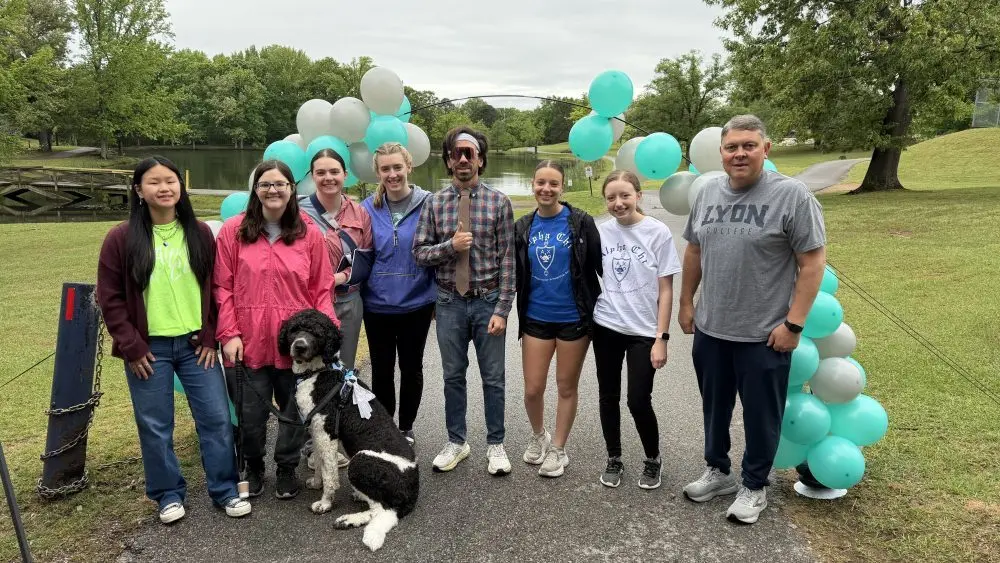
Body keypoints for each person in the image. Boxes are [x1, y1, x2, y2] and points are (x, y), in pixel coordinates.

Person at [678, 114, 827, 525]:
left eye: (749, 145)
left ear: (766, 148)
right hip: (712, 328)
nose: (739, 153)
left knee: (762, 414)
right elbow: (693, 251)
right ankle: (718, 471)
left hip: (764, 335)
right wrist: (687, 304)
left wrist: (793, 325)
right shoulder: (707, 193)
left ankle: (754, 485)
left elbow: (812, 263)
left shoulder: (792, 196)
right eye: (731, 147)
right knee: (714, 408)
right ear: (721, 152)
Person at [96, 156, 250, 524]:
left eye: (170, 180)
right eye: (154, 182)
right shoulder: (121, 238)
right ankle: (167, 494)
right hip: (149, 350)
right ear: (138, 190)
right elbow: (110, 297)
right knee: (155, 424)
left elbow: (216, 289)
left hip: (197, 347)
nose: (164, 188)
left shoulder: (198, 232)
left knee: (214, 418)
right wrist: (132, 346)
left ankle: (225, 490)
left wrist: (212, 336)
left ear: (180, 187)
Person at [214, 159, 338, 500]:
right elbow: (222, 288)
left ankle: (286, 466)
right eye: (265, 184)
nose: (273, 190)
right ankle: (254, 465)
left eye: (280, 184)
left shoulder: (310, 234)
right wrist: (229, 333)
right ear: (255, 190)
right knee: (251, 416)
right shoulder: (233, 232)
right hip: (247, 341)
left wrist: (325, 340)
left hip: (295, 346)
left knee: (294, 413)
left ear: (292, 189)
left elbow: (322, 290)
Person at [413, 126, 516, 475]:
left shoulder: (499, 202)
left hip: (487, 300)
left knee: (493, 377)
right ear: (447, 161)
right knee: (453, 375)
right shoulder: (434, 202)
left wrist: (502, 309)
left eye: (468, 153)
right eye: (455, 154)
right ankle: (456, 441)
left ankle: (496, 444)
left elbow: (507, 261)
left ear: (480, 159)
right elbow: (420, 254)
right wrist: (450, 247)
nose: (462, 160)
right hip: (449, 302)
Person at [592, 170, 681, 490]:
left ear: (638, 196)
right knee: (608, 396)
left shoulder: (657, 232)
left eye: (625, 195)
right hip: (606, 326)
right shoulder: (601, 232)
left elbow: (666, 289)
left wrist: (662, 338)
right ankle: (614, 457)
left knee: (638, 399)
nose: (618, 203)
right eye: (611, 198)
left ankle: (652, 459)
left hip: (644, 330)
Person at [514, 160, 602, 478]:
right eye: (540, 183)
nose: (546, 189)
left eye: (553, 183)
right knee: (533, 389)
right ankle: (540, 436)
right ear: (533, 185)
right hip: (536, 316)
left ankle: (559, 449)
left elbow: (599, 268)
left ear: (562, 187)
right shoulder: (523, 227)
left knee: (566, 387)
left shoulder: (580, 222)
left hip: (573, 318)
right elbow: (514, 273)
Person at [361, 142, 437, 447]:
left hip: (417, 303)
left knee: (411, 367)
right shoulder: (367, 208)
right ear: (377, 173)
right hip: (377, 304)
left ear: (409, 167)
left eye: (397, 167)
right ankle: (384, 427)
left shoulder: (429, 204)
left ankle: (405, 427)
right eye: (385, 169)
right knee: (381, 371)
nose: (392, 174)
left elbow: (439, 249)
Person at [299, 148, 373, 372]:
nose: (328, 178)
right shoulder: (297, 210)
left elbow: (366, 259)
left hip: (348, 302)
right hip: (308, 301)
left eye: (334, 171)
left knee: (343, 366)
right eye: (321, 173)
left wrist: (337, 278)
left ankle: (341, 405)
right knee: (309, 365)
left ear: (345, 174)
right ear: (312, 176)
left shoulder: (360, 214)